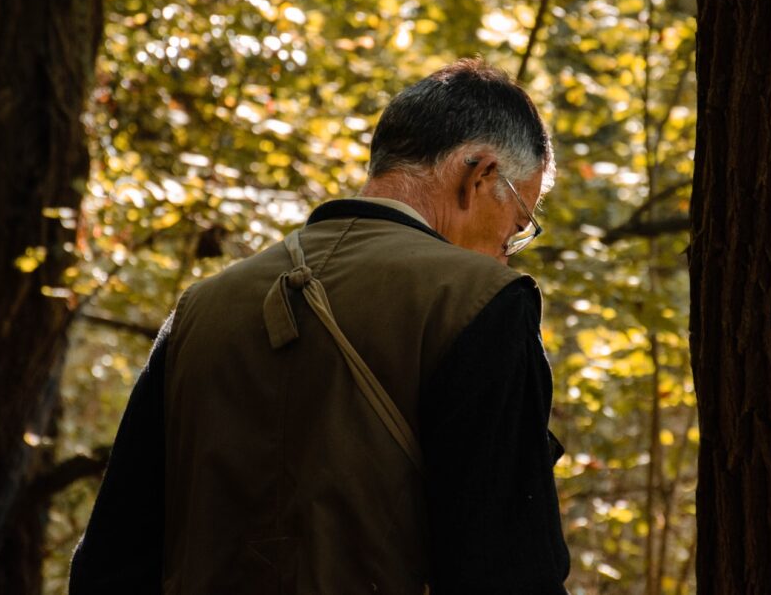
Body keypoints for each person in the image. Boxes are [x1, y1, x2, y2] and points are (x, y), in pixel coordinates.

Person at [69, 58, 570, 594]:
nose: (506, 256)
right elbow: (506, 572)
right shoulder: (480, 303)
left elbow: (110, 565)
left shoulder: (199, 310)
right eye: (517, 226)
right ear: (480, 177)